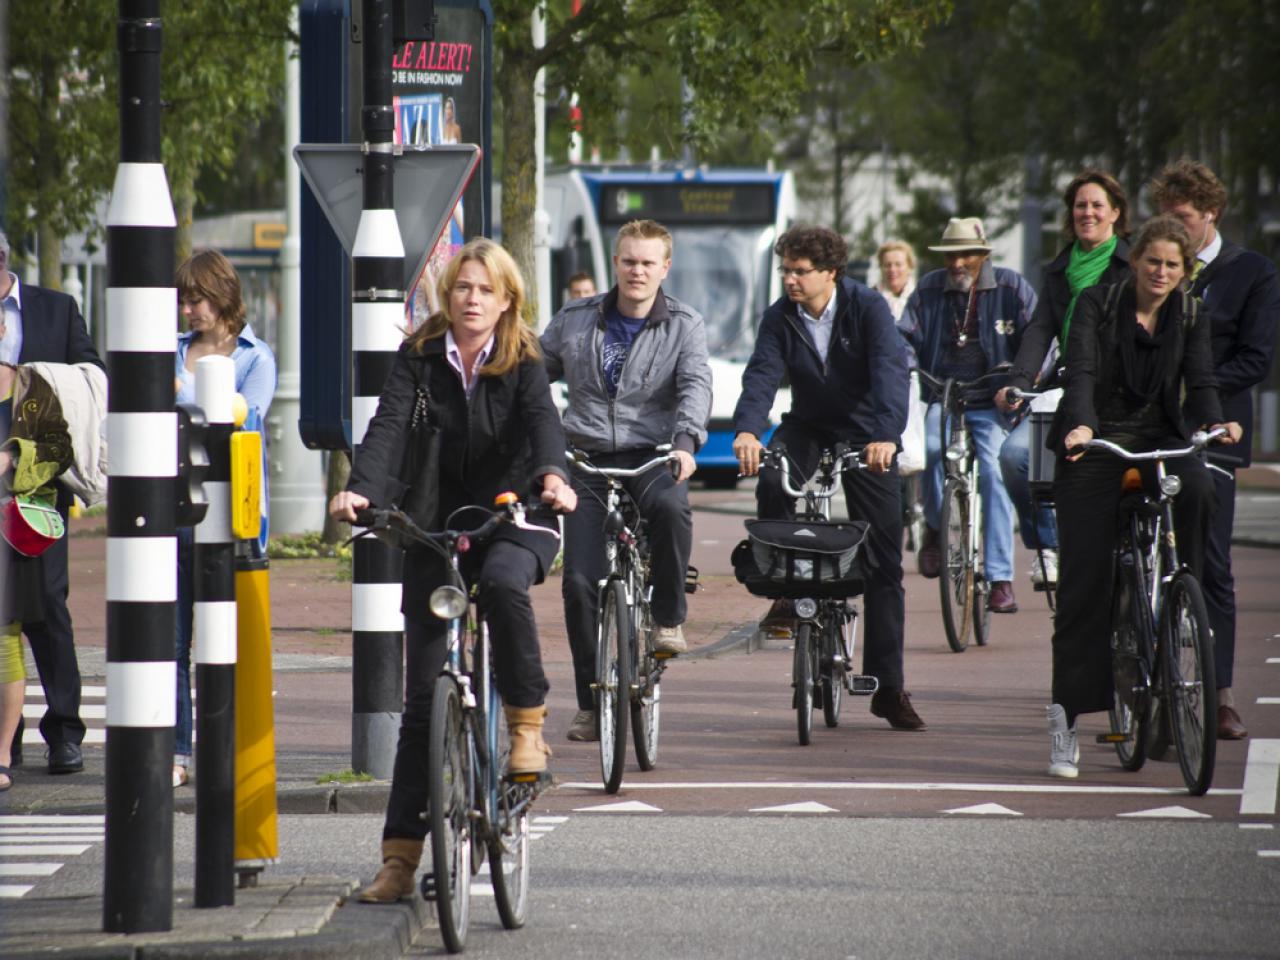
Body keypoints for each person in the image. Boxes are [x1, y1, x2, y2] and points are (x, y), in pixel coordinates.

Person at [330, 238, 576, 902]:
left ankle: (526, 732)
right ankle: (399, 862)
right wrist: (363, 491)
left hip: (517, 509)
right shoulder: (419, 358)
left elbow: (543, 424)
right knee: (420, 705)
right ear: (450, 295)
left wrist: (553, 477)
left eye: (484, 290)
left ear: (506, 300)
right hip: (436, 522)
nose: (472, 299)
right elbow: (387, 430)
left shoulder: (524, 358)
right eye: (462, 287)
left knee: (501, 585)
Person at [1045, 215, 1241, 778]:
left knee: (1201, 486)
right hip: (1098, 438)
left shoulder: (1190, 313)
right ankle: (1064, 721)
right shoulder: (1095, 306)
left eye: (1172, 265)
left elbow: (1201, 383)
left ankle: (1184, 603)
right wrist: (1079, 426)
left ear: (1184, 273)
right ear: (1134, 263)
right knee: (1084, 586)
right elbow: (1079, 372)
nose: (1160, 272)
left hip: (1161, 435)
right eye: (1152, 261)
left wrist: (1215, 423)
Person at [732, 225, 924, 731]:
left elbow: (889, 373)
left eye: (800, 272)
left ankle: (887, 687)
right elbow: (761, 375)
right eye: (786, 271)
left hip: (867, 431)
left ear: (830, 273)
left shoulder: (868, 308)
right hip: (808, 426)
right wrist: (749, 432)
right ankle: (782, 586)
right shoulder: (780, 316)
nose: (790, 280)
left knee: (884, 558)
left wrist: (885, 435)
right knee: (772, 475)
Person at [541, 219, 712, 743]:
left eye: (647, 262)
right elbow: (526, 370)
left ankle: (666, 618)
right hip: (586, 459)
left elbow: (695, 386)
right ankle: (591, 703)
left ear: (665, 267)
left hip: (654, 454)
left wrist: (685, 446)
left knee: (671, 510)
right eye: (628, 261)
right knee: (576, 584)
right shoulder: (574, 319)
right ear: (615, 263)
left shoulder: (684, 324)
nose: (637, 271)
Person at [1150, 160, 1280, 741]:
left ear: (1211, 214)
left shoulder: (1250, 271)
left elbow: (1256, 358)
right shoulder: (1155, 270)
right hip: (1151, 431)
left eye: (1182, 220)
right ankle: (1140, 684)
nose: (1172, 232)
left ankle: (1221, 694)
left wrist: (1194, 388)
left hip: (1215, 432)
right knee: (1134, 553)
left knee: (1213, 564)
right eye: (1165, 220)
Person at [996, 171, 1132, 587]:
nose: (1087, 212)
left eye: (1096, 205)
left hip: (1121, 388)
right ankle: (1048, 546)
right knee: (1015, 457)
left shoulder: (1134, 265)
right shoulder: (1058, 271)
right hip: (1068, 384)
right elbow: (1040, 329)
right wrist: (1017, 382)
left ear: (1115, 213)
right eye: (1079, 205)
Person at [172, 250, 277, 788]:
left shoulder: (257, 357)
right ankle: (177, 752)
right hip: (173, 508)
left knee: (228, 634)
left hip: (231, 513)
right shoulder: (169, 352)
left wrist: (180, 396)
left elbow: (240, 420)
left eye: (198, 299)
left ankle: (231, 743)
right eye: (184, 300)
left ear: (223, 296)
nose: (189, 310)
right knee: (169, 638)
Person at [1, 229, 101, 775]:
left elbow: (92, 379)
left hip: (37, 483)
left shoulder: (56, 310)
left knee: (45, 604)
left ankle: (64, 730)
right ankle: (4, 740)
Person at [901, 217, 1036, 613]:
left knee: (995, 473)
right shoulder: (927, 289)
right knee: (929, 449)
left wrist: (1018, 381)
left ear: (982, 255)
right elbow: (901, 336)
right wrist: (906, 362)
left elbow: (1037, 339)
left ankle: (999, 578)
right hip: (944, 396)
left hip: (994, 402)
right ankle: (937, 529)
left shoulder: (1012, 287)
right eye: (950, 255)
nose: (957, 262)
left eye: (965, 254)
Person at [1, 349, 75, 793]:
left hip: (10, 530)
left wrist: (13, 456)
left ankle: (4, 753)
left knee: (8, 639)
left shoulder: (30, 387)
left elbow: (58, 448)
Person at [874, 240, 917, 323]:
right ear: (880, 267)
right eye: (887, 265)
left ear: (910, 267)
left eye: (898, 264)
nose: (892, 269)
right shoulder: (869, 299)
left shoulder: (921, 297)